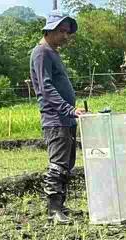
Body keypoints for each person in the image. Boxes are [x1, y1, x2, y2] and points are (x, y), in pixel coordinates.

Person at [30, 11, 84, 224]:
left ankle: (60, 205)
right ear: (49, 30)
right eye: (62, 31)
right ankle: (53, 210)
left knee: (67, 164)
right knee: (58, 164)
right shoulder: (41, 53)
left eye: (68, 32)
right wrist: (68, 109)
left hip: (66, 119)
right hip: (56, 119)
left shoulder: (53, 52)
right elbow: (46, 89)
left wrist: (72, 111)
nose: (66, 36)